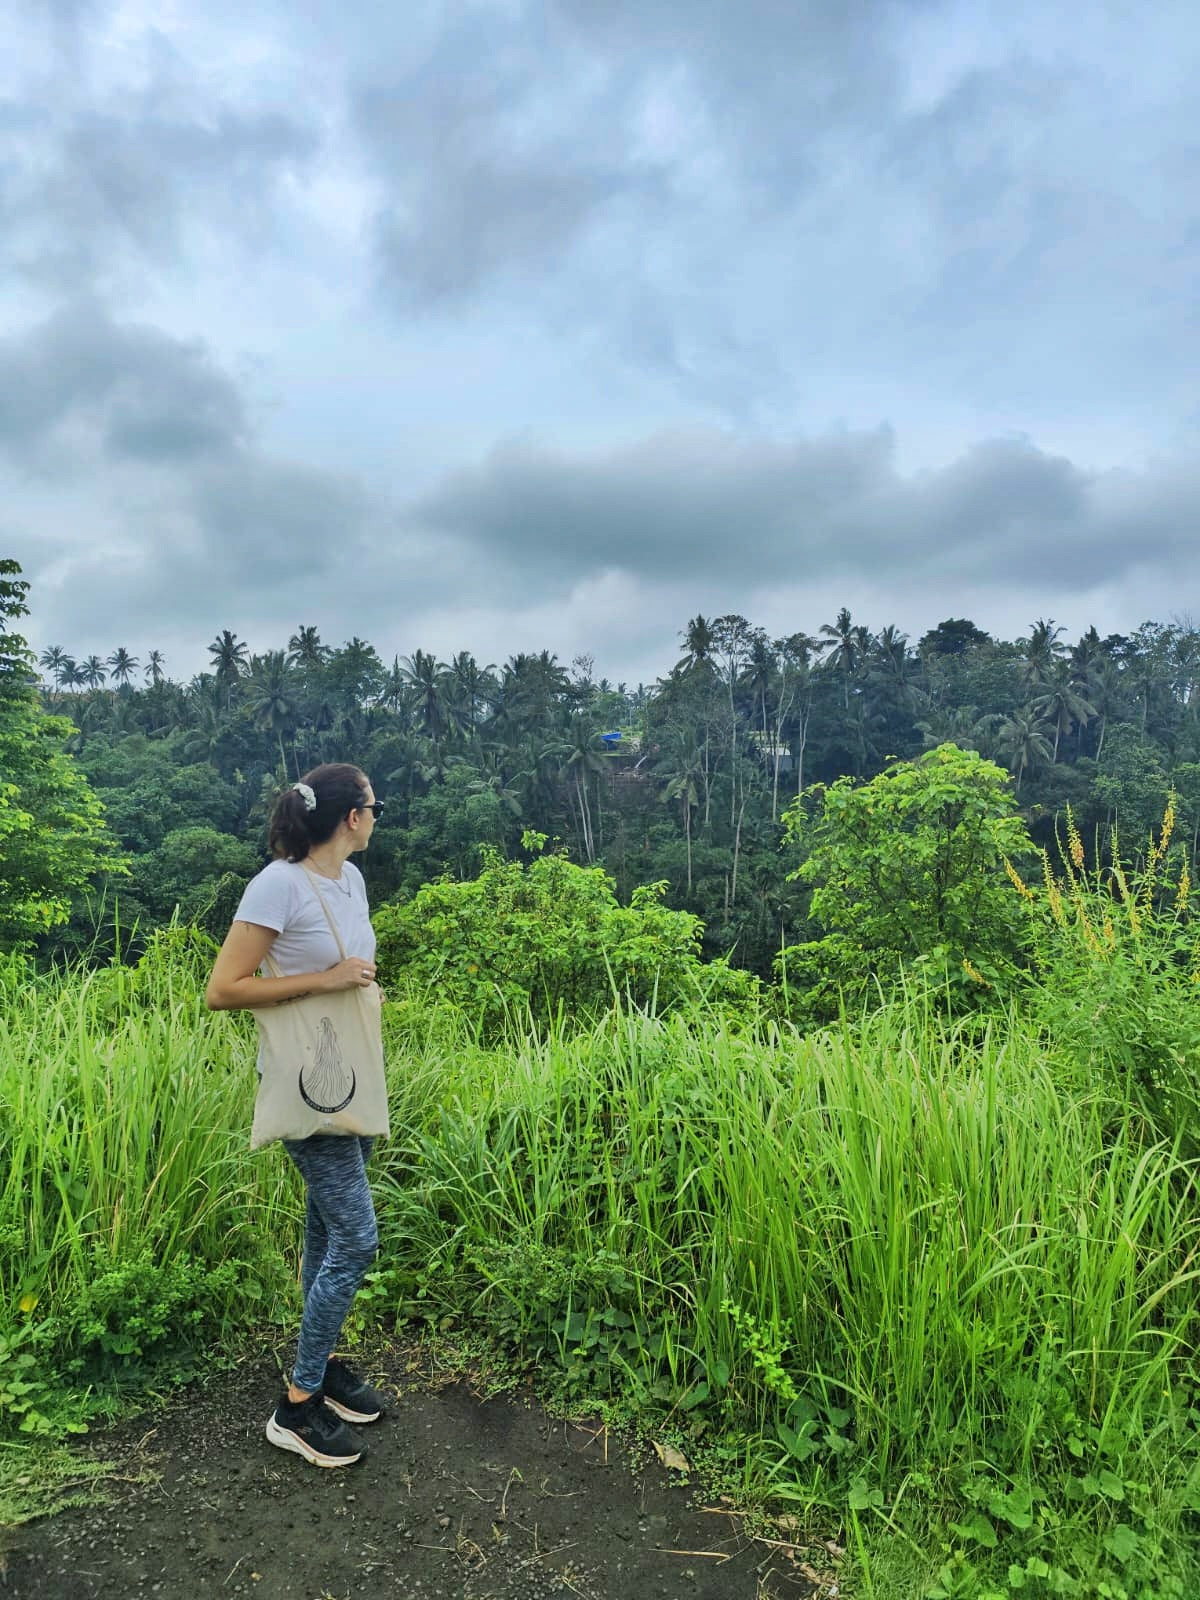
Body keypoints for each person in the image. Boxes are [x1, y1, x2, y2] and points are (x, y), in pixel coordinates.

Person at [206, 762, 389, 1469]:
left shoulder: (351, 880)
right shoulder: (278, 882)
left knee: (325, 1227)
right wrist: (327, 980)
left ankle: (325, 1360)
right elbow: (224, 988)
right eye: (375, 805)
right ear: (351, 816)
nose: (378, 815)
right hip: (306, 1084)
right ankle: (297, 1403)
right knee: (357, 1238)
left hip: (351, 1074)